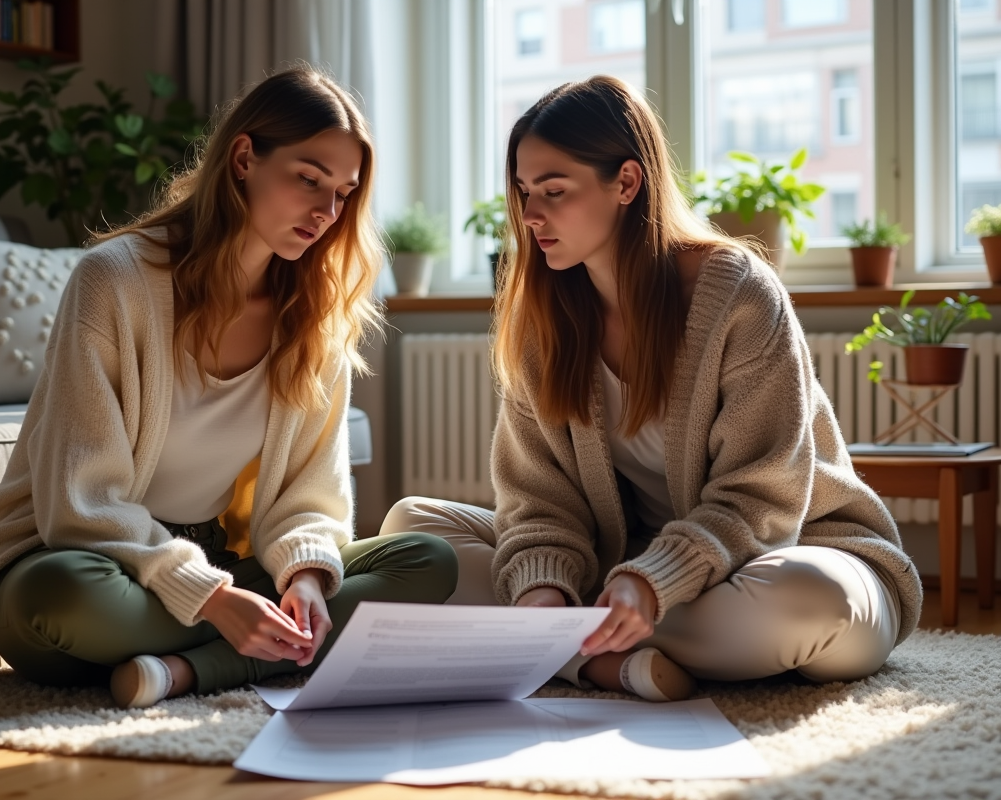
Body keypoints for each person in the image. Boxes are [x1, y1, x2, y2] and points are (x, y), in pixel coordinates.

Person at [379, 75, 920, 701]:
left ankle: (566, 651)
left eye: (554, 191)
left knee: (810, 606)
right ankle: (601, 658)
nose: (530, 216)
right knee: (412, 526)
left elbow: (762, 499)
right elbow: (537, 499)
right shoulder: (543, 318)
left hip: (784, 554)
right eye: (525, 192)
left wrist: (652, 583)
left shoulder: (738, 295)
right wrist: (540, 589)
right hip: (624, 567)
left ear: (627, 183)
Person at [0, 67, 458, 709]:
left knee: (426, 561)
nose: (327, 212)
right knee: (60, 599)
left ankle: (180, 672)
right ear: (245, 158)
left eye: (344, 194)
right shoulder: (114, 283)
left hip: (215, 559)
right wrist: (215, 599)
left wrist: (303, 575)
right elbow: (82, 503)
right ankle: (243, 648)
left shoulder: (315, 316)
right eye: (308, 179)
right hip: (84, 561)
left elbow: (309, 496)